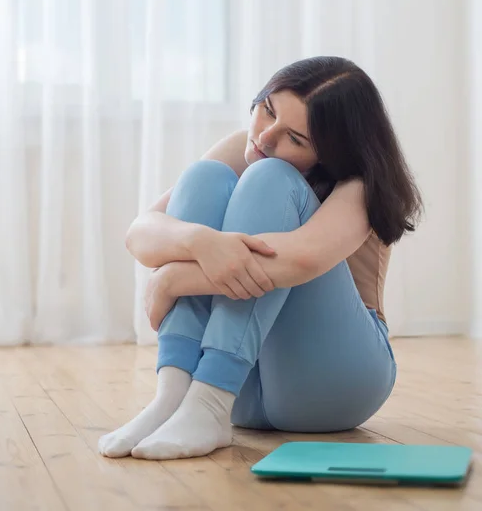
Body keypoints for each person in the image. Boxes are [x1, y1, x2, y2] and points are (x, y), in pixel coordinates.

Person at [99, 56, 423, 460]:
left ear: (331, 156)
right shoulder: (246, 144)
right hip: (247, 393)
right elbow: (141, 233)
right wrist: (200, 241)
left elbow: (297, 261)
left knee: (270, 176)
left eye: (296, 139)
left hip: (335, 381)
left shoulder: (358, 183)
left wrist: (172, 279)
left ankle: (209, 402)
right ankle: (175, 397)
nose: (266, 137)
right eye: (268, 110)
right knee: (204, 176)